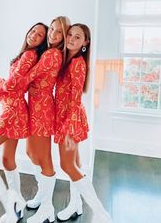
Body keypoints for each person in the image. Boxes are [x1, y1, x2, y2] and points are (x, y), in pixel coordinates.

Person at [0, 22, 48, 223]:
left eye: (40, 35)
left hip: (13, 112)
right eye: (33, 31)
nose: (34, 35)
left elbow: (14, 83)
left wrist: (1, 84)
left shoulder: (29, 55)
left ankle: (8, 201)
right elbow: (19, 83)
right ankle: (18, 205)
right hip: (14, 109)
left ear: (42, 41)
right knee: (8, 159)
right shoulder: (29, 54)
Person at [13, 16, 71, 223]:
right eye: (52, 29)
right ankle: (42, 193)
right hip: (35, 106)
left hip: (43, 109)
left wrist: (10, 85)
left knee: (44, 158)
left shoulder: (53, 54)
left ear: (64, 37)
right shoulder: (47, 52)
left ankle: (47, 207)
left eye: (58, 32)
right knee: (30, 152)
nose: (53, 34)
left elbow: (30, 76)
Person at [54, 23, 112, 223]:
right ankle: (75, 205)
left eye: (77, 37)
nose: (71, 38)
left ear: (85, 42)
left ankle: (101, 213)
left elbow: (75, 98)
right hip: (64, 116)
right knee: (75, 164)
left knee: (67, 165)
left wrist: (69, 127)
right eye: (70, 34)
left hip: (70, 118)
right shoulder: (65, 59)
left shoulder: (78, 63)